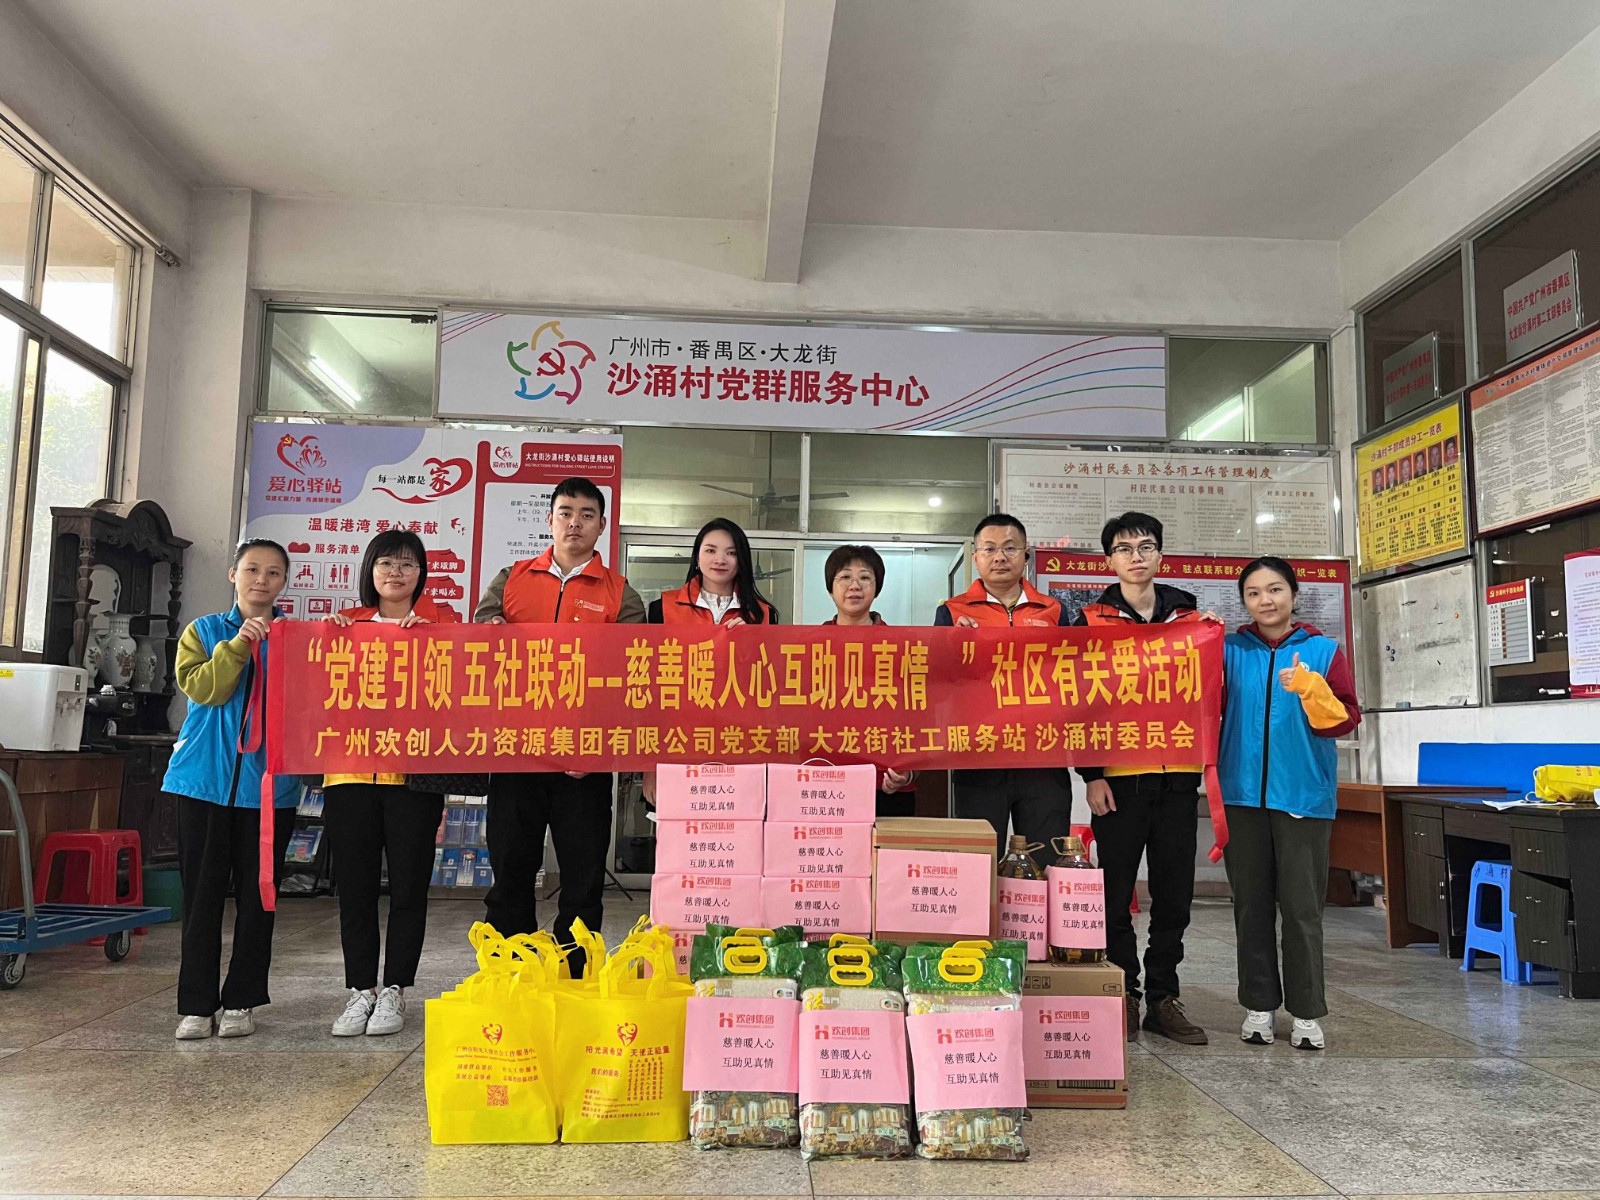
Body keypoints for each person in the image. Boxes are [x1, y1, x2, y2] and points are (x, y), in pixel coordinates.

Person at [474, 478, 646, 974]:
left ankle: (576, 977)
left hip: (583, 760)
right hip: (517, 751)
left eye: (587, 514)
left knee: (583, 877)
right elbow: (479, 646)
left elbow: (629, 679)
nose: (575, 523)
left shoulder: (621, 594)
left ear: (601, 525)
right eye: (566, 512)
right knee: (511, 869)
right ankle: (511, 971)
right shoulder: (511, 579)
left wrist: (599, 748)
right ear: (549, 519)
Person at [1074, 512, 1211, 1045]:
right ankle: (1123, 992)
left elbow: (1209, 691)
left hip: (1178, 780)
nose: (1136, 556)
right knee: (1114, 896)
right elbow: (1076, 703)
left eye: (1146, 546)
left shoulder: (1191, 620)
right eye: (1124, 548)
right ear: (1109, 560)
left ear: (1161, 556)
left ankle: (1162, 998)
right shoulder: (1089, 622)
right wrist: (1091, 774)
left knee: (1174, 897)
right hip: (1118, 783)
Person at [1219, 557, 1360, 1052]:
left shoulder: (1324, 651)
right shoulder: (1228, 650)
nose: (1266, 600)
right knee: (1251, 907)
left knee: (1302, 910)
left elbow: (1345, 720)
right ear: (1245, 601)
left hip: (1303, 797)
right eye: (1254, 593)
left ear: (1294, 595)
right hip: (1241, 796)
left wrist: (1313, 690)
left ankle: (1306, 1012)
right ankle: (1258, 1006)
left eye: (1275, 589)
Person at [162, 539, 301, 1040]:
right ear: (233, 574)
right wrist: (240, 645)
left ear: (284, 582)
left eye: (273, 572)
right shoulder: (202, 631)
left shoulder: (296, 639)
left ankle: (242, 1000)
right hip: (203, 783)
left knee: (259, 899)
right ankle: (197, 1005)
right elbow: (206, 689)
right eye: (252, 569)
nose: (262, 579)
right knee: (201, 901)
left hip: (270, 790)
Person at [322, 530, 455, 1038]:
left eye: (406, 564)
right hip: (349, 772)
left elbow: (463, 690)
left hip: (414, 777)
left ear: (421, 574)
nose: (395, 573)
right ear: (370, 571)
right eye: (385, 563)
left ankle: (396, 988)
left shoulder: (444, 625)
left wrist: (437, 641)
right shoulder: (344, 625)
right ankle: (360, 989)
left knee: (408, 887)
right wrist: (326, 640)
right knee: (354, 888)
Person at [934, 514, 1072, 859]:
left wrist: (1057, 646)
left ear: (1026, 555)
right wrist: (952, 646)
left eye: (1010, 548)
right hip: (979, 753)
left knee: (1044, 858)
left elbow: (1077, 679)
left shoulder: (1054, 611)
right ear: (975, 557)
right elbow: (937, 681)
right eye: (989, 549)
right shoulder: (951, 612)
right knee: (978, 860)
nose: (1000, 557)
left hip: (1042, 754)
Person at [821, 544, 914, 816]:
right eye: (845, 577)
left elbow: (920, 718)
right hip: (826, 783)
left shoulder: (902, 647)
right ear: (831, 589)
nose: (855, 586)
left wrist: (909, 773)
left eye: (864, 578)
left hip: (887, 786)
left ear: (877, 587)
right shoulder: (809, 647)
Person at [648, 517, 779, 625]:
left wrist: (749, 640)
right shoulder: (662, 608)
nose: (720, 560)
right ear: (697, 557)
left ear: (741, 560)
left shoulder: (764, 614)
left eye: (731, 553)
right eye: (710, 550)